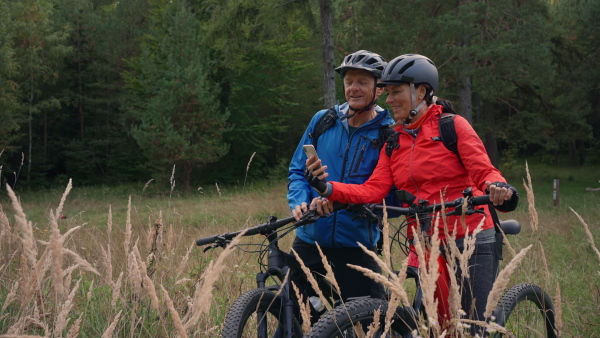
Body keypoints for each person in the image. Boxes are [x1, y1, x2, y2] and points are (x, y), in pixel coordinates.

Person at [305, 54, 519, 334]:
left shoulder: (452, 126)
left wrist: (498, 188)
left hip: (470, 236)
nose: (389, 99)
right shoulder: (394, 140)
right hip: (424, 240)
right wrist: (328, 188)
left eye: (396, 92)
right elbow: (374, 188)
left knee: (471, 327)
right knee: (436, 324)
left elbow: (483, 170)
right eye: (388, 92)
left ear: (421, 91)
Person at [287, 50, 394, 312]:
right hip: (310, 237)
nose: (353, 88)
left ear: (379, 89)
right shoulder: (323, 120)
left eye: (362, 82)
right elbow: (297, 171)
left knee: (372, 319)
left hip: (356, 243)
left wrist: (346, 204)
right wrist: (300, 202)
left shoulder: (389, 131)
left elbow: (388, 194)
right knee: (293, 314)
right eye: (349, 82)